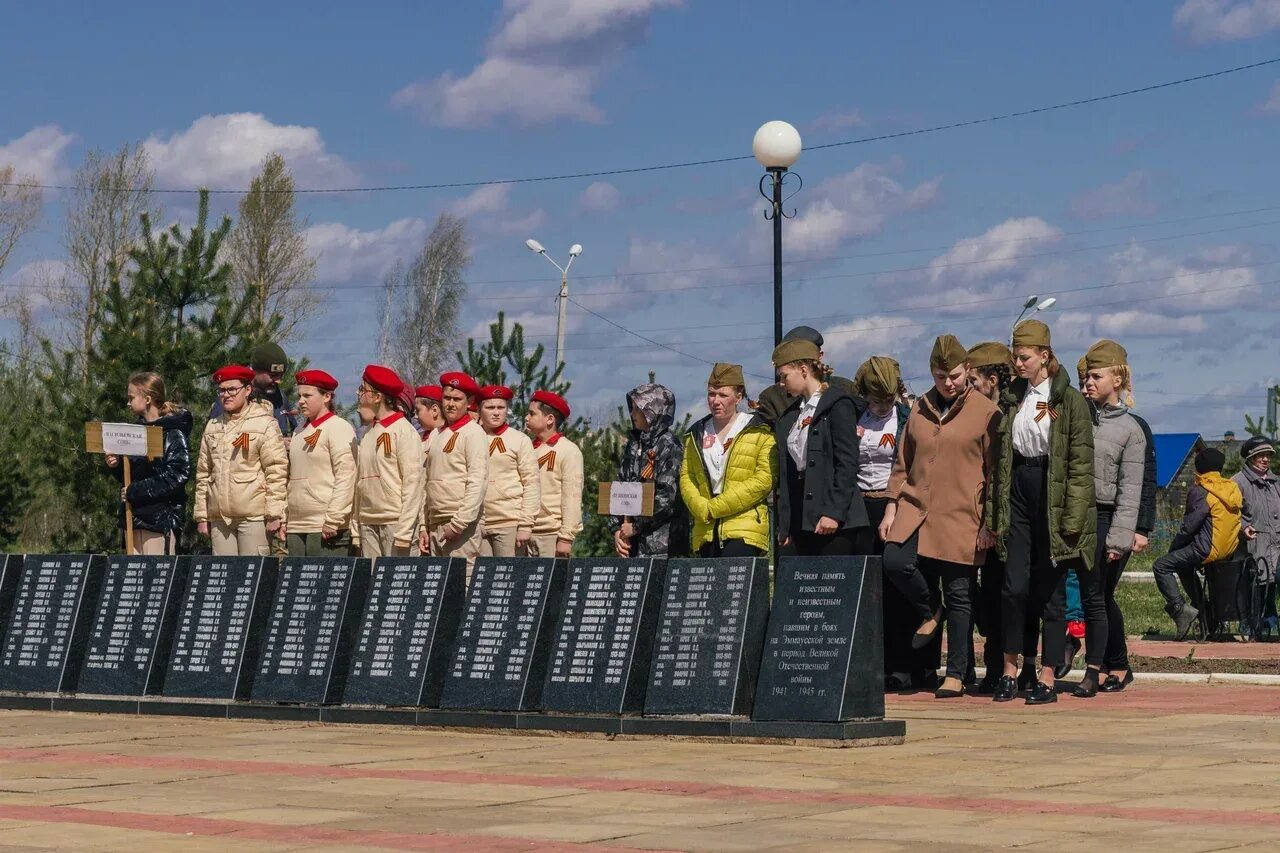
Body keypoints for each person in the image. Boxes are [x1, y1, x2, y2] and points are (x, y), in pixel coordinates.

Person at [880, 335, 1001, 698]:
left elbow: (995, 473)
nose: (948, 383)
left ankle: (957, 673)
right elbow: (902, 462)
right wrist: (890, 506)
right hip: (915, 508)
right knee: (895, 561)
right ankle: (932, 609)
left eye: (955, 375)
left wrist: (988, 523)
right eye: (939, 376)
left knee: (960, 593)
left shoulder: (985, 412)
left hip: (961, 514)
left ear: (967, 371)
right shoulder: (918, 409)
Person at [986, 319, 1096, 705]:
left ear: (1044, 356)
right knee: (1013, 586)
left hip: (1053, 491)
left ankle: (1048, 675)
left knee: (1050, 592)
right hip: (1019, 486)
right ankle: (1010, 670)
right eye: (1015, 356)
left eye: (1024, 357)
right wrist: (994, 513)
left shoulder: (1068, 400)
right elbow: (999, 460)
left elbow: (1081, 466)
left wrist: (1072, 517)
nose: (1017, 363)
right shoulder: (1013, 397)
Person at [1078, 340, 1146, 696]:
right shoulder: (1079, 418)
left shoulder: (1131, 430)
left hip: (1109, 519)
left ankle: (1111, 665)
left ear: (1117, 379)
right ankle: (1115, 664)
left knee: (1100, 595)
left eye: (1095, 376)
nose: (1088, 382)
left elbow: (1131, 488)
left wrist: (1120, 537)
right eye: (1086, 376)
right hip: (1079, 516)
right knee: (1099, 597)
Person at [850, 356, 918, 690]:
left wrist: (894, 506)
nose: (881, 407)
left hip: (895, 505)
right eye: (875, 400)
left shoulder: (907, 418)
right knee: (866, 590)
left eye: (888, 400)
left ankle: (901, 665)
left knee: (895, 589)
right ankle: (868, 663)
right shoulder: (853, 416)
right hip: (861, 506)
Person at [966, 341, 1029, 694]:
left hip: (1007, 516)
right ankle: (992, 667)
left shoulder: (1016, 411)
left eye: (974, 380)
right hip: (976, 515)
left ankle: (1019, 667)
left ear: (992, 379)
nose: (968, 388)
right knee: (987, 597)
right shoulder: (971, 412)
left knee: (1010, 592)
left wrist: (995, 521)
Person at [772, 338, 870, 556]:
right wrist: (786, 524)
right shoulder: (793, 415)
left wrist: (834, 513)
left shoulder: (837, 404)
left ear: (803, 370)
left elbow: (847, 462)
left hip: (833, 518)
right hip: (802, 516)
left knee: (831, 585)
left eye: (784, 376)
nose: (781, 383)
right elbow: (788, 472)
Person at [679, 363, 776, 558]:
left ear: (738, 397)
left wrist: (716, 507)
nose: (715, 401)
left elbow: (765, 478)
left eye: (723, 395)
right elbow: (686, 476)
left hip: (744, 528)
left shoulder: (759, 430)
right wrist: (700, 507)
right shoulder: (695, 433)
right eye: (711, 394)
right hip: (705, 528)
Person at [194, 365, 288, 557]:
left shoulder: (265, 423)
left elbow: (276, 471)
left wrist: (274, 513)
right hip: (220, 519)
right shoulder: (213, 426)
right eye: (221, 390)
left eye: (232, 390)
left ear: (247, 390)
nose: (226, 395)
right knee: (224, 578)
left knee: (253, 577)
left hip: (253, 517)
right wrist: (202, 516)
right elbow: (204, 473)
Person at [1153, 448, 1243, 639]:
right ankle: (1205, 612)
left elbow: (1189, 527)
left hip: (1206, 549)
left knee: (1161, 565)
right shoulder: (1231, 488)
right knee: (1184, 567)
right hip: (1228, 550)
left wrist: (1174, 547)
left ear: (1199, 468)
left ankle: (1180, 611)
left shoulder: (1202, 490)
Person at [105, 372, 193, 555]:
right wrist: (116, 466)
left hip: (160, 521)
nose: (128, 403)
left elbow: (177, 475)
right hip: (133, 518)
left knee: (157, 579)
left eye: (131, 398)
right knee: (133, 580)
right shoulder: (135, 433)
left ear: (147, 399)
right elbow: (133, 474)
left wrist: (134, 491)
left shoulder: (172, 433)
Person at [353, 365, 424, 558]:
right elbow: (360, 481)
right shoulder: (368, 432)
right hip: (368, 521)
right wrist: (356, 524)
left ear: (377, 397)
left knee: (399, 585)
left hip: (395, 521)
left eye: (363, 389)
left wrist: (405, 529)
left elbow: (413, 483)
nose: (358, 393)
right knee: (374, 583)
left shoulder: (404, 432)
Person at [610, 382, 687, 558]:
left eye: (638, 409)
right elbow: (620, 486)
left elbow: (667, 498)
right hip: (632, 544)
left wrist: (635, 526)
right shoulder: (634, 445)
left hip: (662, 547)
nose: (632, 414)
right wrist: (617, 529)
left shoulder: (670, 446)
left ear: (652, 412)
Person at [285, 370, 357, 557]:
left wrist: (333, 518)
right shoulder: (299, 431)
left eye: (308, 395)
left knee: (325, 584)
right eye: (299, 395)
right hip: (296, 523)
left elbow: (346, 475)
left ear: (327, 396)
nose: (301, 401)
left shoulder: (338, 427)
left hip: (325, 524)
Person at [422, 372, 488, 570]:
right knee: (439, 584)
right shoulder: (438, 434)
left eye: (457, 399)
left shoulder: (474, 433)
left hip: (459, 523)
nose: (450, 404)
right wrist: (423, 525)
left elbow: (478, 481)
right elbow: (426, 481)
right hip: (436, 520)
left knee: (462, 580)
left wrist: (458, 524)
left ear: (469, 402)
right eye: (447, 398)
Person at [476, 384, 539, 557]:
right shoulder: (471, 437)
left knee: (507, 579)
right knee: (480, 580)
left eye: (501, 407)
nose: (496, 412)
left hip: (509, 521)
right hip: (477, 522)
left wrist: (526, 525)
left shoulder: (519, 440)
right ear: (479, 409)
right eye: (490, 407)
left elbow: (531, 484)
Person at [525, 390, 583, 558]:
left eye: (532, 413)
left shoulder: (569, 451)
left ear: (550, 419)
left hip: (552, 533)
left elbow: (572, 496)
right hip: (526, 529)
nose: (526, 418)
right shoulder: (527, 447)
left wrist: (566, 537)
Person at [1234, 437, 1279, 633]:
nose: (1265, 459)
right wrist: (1243, 527)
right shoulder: (1237, 482)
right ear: (1250, 458)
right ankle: (1252, 625)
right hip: (1253, 544)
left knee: (1273, 583)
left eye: (1268, 455)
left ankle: (1271, 622)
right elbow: (1229, 514)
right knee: (1256, 586)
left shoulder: (1276, 482)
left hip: (1276, 543)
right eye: (1260, 455)